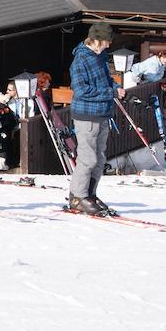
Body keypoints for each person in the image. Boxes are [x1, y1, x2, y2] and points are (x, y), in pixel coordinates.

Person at [67, 23, 126, 215]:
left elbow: (106, 79)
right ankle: (77, 197)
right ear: (96, 40)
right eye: (106, 42)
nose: (108, 46)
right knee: (88, 158)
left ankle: (90, 194)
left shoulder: (99, 56)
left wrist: (115, 87)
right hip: (86, 115)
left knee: (99, 158)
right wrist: (111, 92)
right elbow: (81, 90)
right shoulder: (80, 60)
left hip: (102, 113)